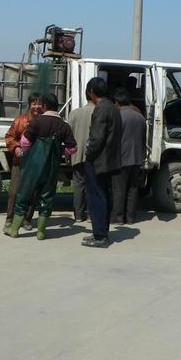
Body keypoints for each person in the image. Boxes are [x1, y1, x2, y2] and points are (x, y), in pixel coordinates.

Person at [4, 93, 76, 240]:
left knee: (23, 194)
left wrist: (26, 152)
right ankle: (41, 232)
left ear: (44, 106)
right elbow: (72, 148)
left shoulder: (37, 122)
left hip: (32, 166)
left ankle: (14, 230)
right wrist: (62, 151)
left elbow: (24, 142)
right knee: (46, 197)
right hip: (52, 167)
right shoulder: (64, 126)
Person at [81, 77, 122, 248]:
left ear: (91, 91)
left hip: (98, 162)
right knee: (104, 196)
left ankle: (100, 236)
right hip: (110, 160)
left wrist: (88, 154)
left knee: (96, 197)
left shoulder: (101, 109)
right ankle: (101, 232)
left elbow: (96, 139)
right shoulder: (113, 108)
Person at [3, 92, 43, 231]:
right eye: (34, 104)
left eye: (39, 104)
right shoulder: (20, 120)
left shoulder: (44, 122)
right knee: (14, 192)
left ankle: (27, 219)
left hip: (36, 164)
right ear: (29, 105)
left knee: (32, 192)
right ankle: (9, 218)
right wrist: (16, 148)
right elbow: (9, 137)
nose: (37, 107)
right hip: (19, 162)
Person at [110, 87, 146, 225]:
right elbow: (143, 139)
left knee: (119, 189)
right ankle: (130, 217)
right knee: (132, 189)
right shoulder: (140, 117)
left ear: (117, 102)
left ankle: (118, 217)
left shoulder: (118, 116)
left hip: (121, 159)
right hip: (137, 159)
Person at [68, 83, 96, 222]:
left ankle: (78, 215)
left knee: (78, 186)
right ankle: (91, 215)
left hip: (77, 156)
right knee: (93, 186)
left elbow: (69, 136)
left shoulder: (74, 113)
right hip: (94, 157)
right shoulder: (99, 112)